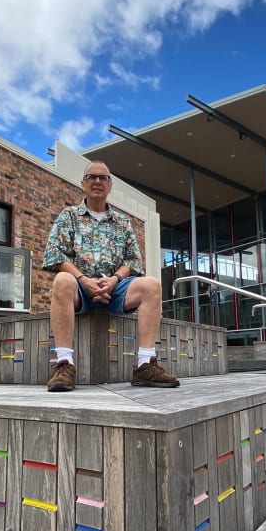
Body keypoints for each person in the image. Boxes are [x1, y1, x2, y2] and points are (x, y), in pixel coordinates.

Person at [42, 161, 180, 392]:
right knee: (62, 280)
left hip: (116, 289)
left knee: (152, 285)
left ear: (110, 185)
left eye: (103, 177)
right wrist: (84, 280)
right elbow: (54, 254)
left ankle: (145, 364)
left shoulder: (122, 222)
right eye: (92, 177)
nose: (97, 181)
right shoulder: (69, 216)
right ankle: (64, 364)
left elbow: (133, 260)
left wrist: (114, 280)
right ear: (83, 183)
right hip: (79, 288)